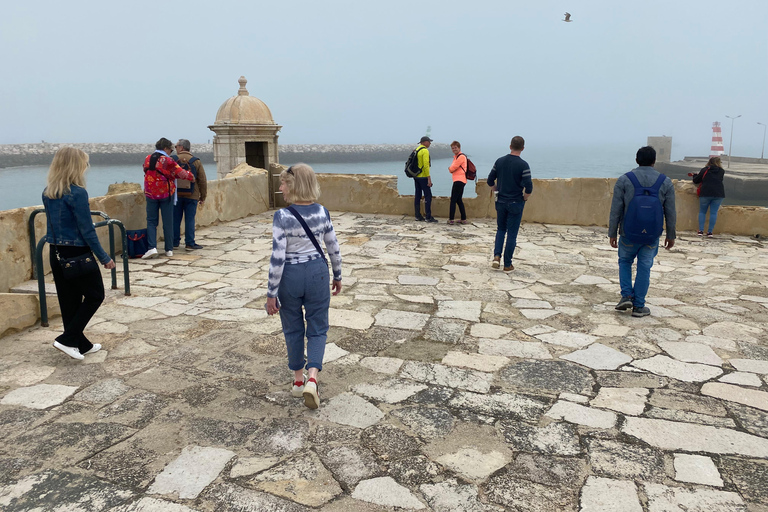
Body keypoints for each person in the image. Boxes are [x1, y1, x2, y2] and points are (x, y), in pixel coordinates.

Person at [265, 164, 342, 409]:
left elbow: (278, 257)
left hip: (291, 275)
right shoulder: (322, 212)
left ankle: (298, 382)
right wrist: (337, 275)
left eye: (284, 183)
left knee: (293, 328)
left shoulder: (283, 216)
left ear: (294, 185)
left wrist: (271, 293)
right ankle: (313, 379)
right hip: (318, 272)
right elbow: (333, 248)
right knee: (318, 327)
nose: (281, 188)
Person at [42, 147, 116, 361]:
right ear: (76, 166)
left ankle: (80, 344)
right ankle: (66, 340)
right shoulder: (77, 193)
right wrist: (104, 257)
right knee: (95, 295)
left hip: (56, 252)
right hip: (77, 254)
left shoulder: (48, 192)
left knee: (70, 301)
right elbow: (87, 230)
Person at [609, 146, 676, 318]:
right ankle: (639, 306)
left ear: (636, 160)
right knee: (644, 267)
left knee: (624, 261)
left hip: (628, 232)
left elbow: (616, 209)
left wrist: (612, 232)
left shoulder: (624, 180)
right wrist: (670, 234)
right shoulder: (665, 182)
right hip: (651, 235)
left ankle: (626, 295)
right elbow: (670, 211)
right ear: (654, 161)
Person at [142, 138, 195, 259]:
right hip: (166, 193)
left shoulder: (148, 158)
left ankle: (152, 247)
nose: (171, 152)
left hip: (150, 193)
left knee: (151, 221)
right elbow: (179, 172)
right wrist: (191, 177)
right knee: (168, 222)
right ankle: (169, 249)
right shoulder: (167, 160)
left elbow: (145, 170)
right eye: (170, 150)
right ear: (165, 148)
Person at [487, 136, 532, 271]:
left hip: (500, 201)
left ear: (510, 146)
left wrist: (496, 189)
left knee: (501, 229)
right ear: (522, 148)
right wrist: (525, 197)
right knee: (512, 233)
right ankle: (507, 264)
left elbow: (490, 180)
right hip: (516, 202)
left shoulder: (499, 161)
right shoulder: (523, 165)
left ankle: (496, 256)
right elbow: (529, 187)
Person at [172, 139, 207, 250]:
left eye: (176, 146)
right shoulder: (196, 161)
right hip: (192, 195)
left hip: (176, 195)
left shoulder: (173, 160)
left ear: (181, 147)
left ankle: (174, 242)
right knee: (190, 219)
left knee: (175, 219)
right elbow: (202, 180)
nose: (175, 148)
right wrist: (203, 196)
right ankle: (189, 243)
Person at [691, 156, 725, 237]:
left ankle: (701, 231)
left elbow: (696, 180)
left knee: (702, 212)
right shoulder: (721, 171)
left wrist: (694, 175)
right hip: (718, 193)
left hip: (705, 192)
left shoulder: (705, 169)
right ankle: (710, 232)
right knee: (713, 212)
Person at [413, 136, 438, 222]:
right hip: (423, 177)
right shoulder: (425, 151)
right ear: (424, 142)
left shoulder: (417, 150)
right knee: (428, 196)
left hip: (416, 176)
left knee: (418, 195)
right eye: (429, 141)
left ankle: (417, 215)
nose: (430, 143)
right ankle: (428, 216)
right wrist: (429, 178)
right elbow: (426, 165)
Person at [448, 141, 468, 224]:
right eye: (452, 148)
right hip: (460, 180)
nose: (454, 149)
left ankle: (451, 219)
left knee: (453, 200)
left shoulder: (461, 157)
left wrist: (450, 168)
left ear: (459, 148)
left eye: (455, 147)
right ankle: (463, 219)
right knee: (459, 200)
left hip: (459, 180)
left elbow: (452, 168)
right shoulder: (456, 157)